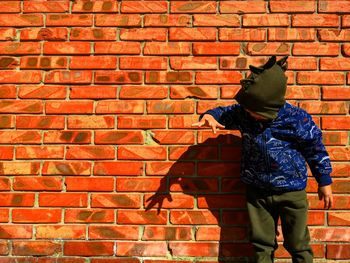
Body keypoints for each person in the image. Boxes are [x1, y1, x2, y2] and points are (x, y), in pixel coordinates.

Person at [192, 55, 333, 263]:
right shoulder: (244, 114)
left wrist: (324, 181)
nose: (247, 114)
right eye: (246, 110)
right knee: (261, 245)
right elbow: (225, 113)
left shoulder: (297, 119)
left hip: (291, 192)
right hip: (257, 193)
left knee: (298, 244)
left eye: (253, 111)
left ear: (270, 109)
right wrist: (210, 115)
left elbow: (316, 150)